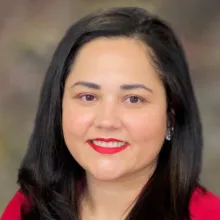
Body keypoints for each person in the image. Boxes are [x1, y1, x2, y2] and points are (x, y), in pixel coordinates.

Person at [1, 6, 220, 220]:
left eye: (133, 99)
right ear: (58, 107)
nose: (107, 121)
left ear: (171, 114)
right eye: (88, 97)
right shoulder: (28, 208)